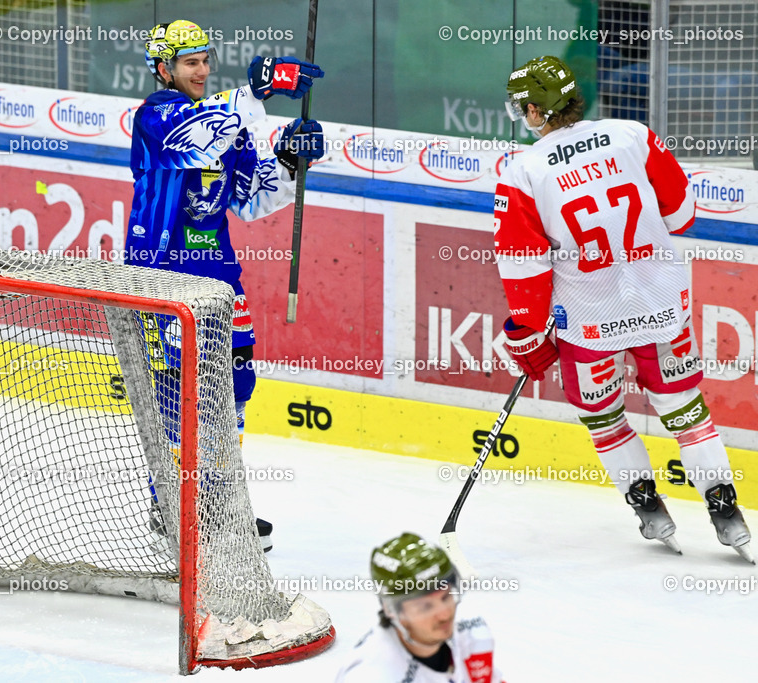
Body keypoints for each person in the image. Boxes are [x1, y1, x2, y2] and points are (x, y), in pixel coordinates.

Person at [495, 56, 753, 562]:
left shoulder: (522, 171)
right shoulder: (633, 134)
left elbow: (524, 264)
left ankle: (647, 506)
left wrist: (526, 332)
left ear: (535, 108)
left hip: (589, 319)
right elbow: (681, 213)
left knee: (604, 419)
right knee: (686, 411)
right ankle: (725, 508)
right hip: (660, 304)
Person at [127, 19, 327, 552]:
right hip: (162, 275)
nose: (202, 70)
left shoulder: (224, 118)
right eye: (190, 62)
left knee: (235, 386)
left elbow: (252, 197)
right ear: (164, 68)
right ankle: (173, 504)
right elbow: (195, 138)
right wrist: (255, 93)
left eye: (205, 59)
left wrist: (289, 161)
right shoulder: (155, 115)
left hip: (218, 276)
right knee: (176, 392)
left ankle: (218, 498)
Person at [336, 532, 504, 683]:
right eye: (425, 607)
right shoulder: (371, 676)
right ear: (391, 611)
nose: (445, 615)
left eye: (446, 597)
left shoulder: (472, 632)